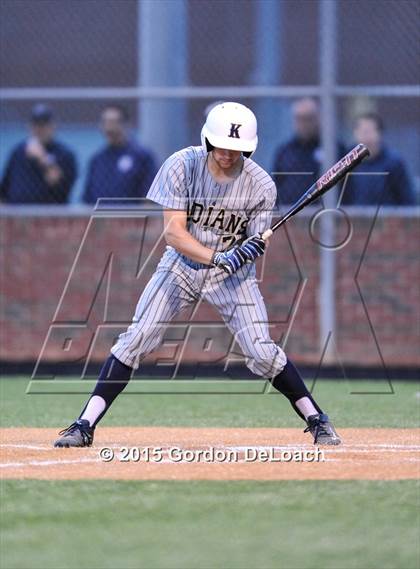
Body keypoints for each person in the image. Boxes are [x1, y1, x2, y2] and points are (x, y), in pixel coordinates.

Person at [54, 102, 341, 448]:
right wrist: (220, 256)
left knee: (262, 352)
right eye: (221, 145)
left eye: (236, 149)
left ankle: (317, 419)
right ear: (207, 140)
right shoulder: (181, 165)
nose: (227, 154)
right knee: (138, 337)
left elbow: (255, 240)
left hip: (233, 278)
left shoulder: (261, 185)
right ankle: (84, 424)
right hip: (181, 267)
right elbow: (174, 233)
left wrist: (251, 248)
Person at [272, 98, 345, 206]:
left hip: (325, 215)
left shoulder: (334, 149)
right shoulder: (285, 152)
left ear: (318, 118)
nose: (304, 124)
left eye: (309, 118)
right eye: (300, 119)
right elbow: (275, 185)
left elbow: (346, 186)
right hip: (290, 216)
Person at [0, 104, 77, 203]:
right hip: (16, 213)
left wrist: (42, 157)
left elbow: (61, 186)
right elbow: (4, 188)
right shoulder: (18, 152)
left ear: (53, 126)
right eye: (36, 124)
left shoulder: (64, 154)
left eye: (44, 125)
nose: (40, 129)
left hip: (48, 214)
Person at [82, 104, 157, 204]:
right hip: (102, 217)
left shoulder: (141, 156)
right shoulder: (97, 159)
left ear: (126, 124)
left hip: (132, 217)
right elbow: (88, 196)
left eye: (114, 122)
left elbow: (149, 195)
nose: (109, 128)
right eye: (105, 122)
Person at [341, 113, 415, 206]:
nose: (367, 138)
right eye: (363, 132)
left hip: (386, 219)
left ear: (380, 134)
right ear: (355, 134)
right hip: (352, 219)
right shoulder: (345, 162)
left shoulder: (394, 162)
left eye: (371, 132)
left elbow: (407, 200)